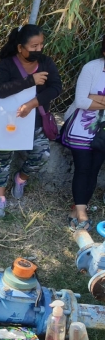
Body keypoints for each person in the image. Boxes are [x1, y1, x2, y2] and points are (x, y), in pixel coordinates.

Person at [0, 24, 62, 218]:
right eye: (33, 46)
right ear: (20, 47)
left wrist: (33, 103)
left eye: (41, 45)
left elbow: (56, 87)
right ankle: (0, 197)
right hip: (8, 120)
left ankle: (21, 178)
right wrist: (30, 81)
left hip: (35, 120)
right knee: (2, 158)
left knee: (42, 154)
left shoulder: (46, 62)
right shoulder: (6, 64)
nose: (39, 50)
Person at [63, 35, 105, 231]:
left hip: (102, 130)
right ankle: (82, 213)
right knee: (83, 168)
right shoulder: (92, 68)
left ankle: (77, 210)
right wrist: (91, 99)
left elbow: (88, 98)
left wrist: (94, 98)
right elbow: (81, 101)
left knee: (94, 169)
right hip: (82, 127)